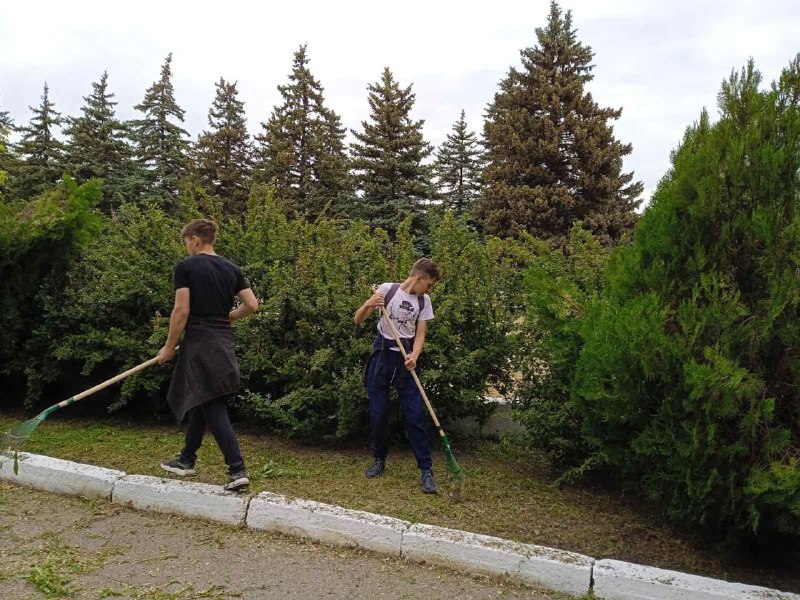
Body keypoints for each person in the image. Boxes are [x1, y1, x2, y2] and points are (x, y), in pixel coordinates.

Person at [157, 218, 258, 492]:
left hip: (200, 342)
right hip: (222, 340)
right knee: (203, 398)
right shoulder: (231, 269)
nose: (187, 247)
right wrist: (227, 318)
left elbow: (181, 311)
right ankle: (187, 459)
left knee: (212, 403)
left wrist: (168, 346)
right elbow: (251, 305)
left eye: (186, 242)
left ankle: (237, 470)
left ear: (195, 240)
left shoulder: (186, 267)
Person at [354, 258, 441, 494]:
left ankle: (426, 470)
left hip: (406, 362)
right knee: (379, 413)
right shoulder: (386, 290)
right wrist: (368, 304)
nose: (429, 289)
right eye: (429, 284)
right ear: (420, 278)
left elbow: (421, 334)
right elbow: (358, 319)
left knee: (415, 416)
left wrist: (415, 355)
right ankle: (379, 460)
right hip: (382, 358)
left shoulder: (424, 301)